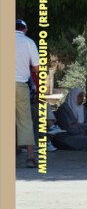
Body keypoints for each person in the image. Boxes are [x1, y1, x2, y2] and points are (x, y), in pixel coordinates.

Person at [16, 19, 39, 168]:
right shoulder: (29, 42)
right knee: (25, 121)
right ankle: (30, 157)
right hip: (21, 85)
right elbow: (36, 67)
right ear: (25, 29)